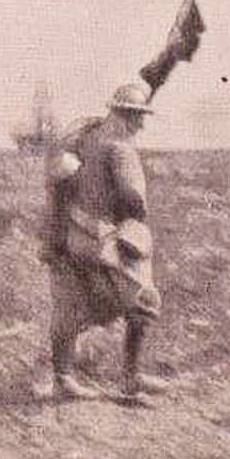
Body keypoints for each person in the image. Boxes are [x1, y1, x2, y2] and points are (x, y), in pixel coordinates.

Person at [43, 82, 165, 404]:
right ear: (127, 115)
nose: (141, 124)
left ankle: (63, 378)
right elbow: (133, 198)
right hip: (101, 240)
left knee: (69, 306)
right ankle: (130, 376)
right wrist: (134, 221)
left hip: (68, 235)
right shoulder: (120, 146)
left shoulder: (85, 137)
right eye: (138, 117)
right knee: (144, 299)